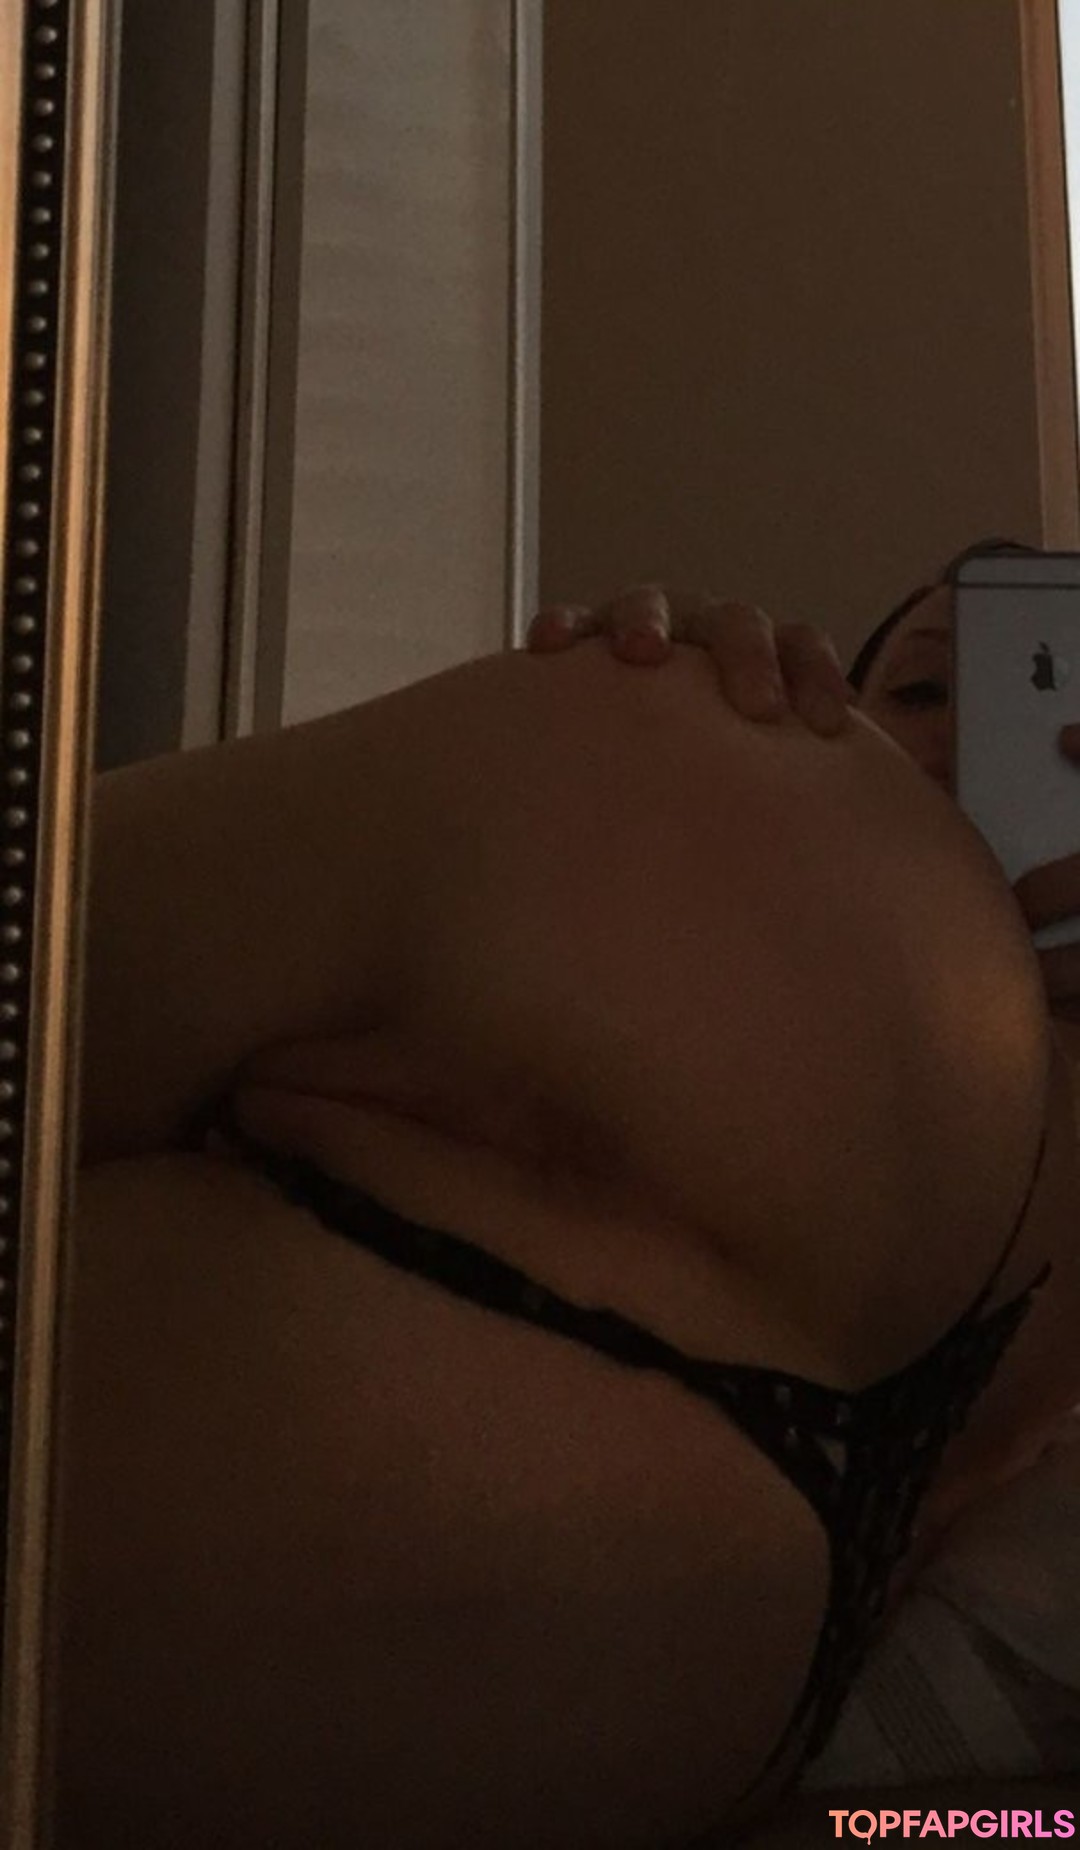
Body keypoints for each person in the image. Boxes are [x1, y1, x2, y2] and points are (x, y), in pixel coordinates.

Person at [59, 634, 1080, 1848]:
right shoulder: (699, 791)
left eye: (1040, 692)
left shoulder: (685, 787)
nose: (970, 736)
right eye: (919, 684)